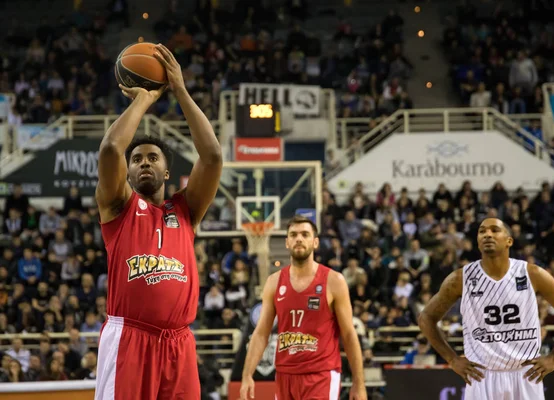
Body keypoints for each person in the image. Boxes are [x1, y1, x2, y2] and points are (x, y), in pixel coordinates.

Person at [94, 44, 222, 400]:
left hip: (179, 343)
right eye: (136, 159)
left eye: (153, 157)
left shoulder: (185, 210)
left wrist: (179, 89)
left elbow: (211, 155)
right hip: (130, 339)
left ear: (168, 171)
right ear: (129, 172)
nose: (144, 163)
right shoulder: (118, 207)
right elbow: (109, 151)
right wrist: (144, 100)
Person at [418, 218, 554, 399]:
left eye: (494, 230)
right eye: (482, 231)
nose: (487, 234)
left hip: (526, 374)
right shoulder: (461, 279)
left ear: (509, 241)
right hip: (482, 375)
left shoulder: (531, 274)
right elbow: (426, 318)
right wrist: (452, 359)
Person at [239, 215, 367, 400]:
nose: (299, 238)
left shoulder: (334, 281)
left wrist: (359, 383)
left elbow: (348, 334)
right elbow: (260, 333)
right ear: (287, 242)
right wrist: (247, 375)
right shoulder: (274, 282)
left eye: (305, 234)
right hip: (284, 375)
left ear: (315, 242)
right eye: (294, 234)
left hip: (321, 374)